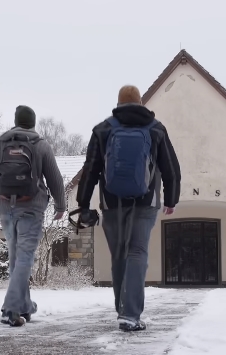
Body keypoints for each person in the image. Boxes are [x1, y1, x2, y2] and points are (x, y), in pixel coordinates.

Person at [75, 85, 181, 332]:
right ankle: (130, 313)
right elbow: (171, 168)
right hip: (146, 202)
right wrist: (171, 199)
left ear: (119, 102)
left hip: (111, 203)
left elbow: (90, 169)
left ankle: (122, 309)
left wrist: (82, 204)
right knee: (138, 252)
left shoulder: (103, 129)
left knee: (119, 255)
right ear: (141, 102)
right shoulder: (156, 129)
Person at [0, 105, 66, 327]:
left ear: (16, 122)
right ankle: (10, 308)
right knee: (25, 257)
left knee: (16, 257)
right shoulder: (40, 146)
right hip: (31, 207)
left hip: (4, 207)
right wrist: (60, 206)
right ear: (33, 123)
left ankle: (24, 306)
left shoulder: (0, 145)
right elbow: (55, 179)